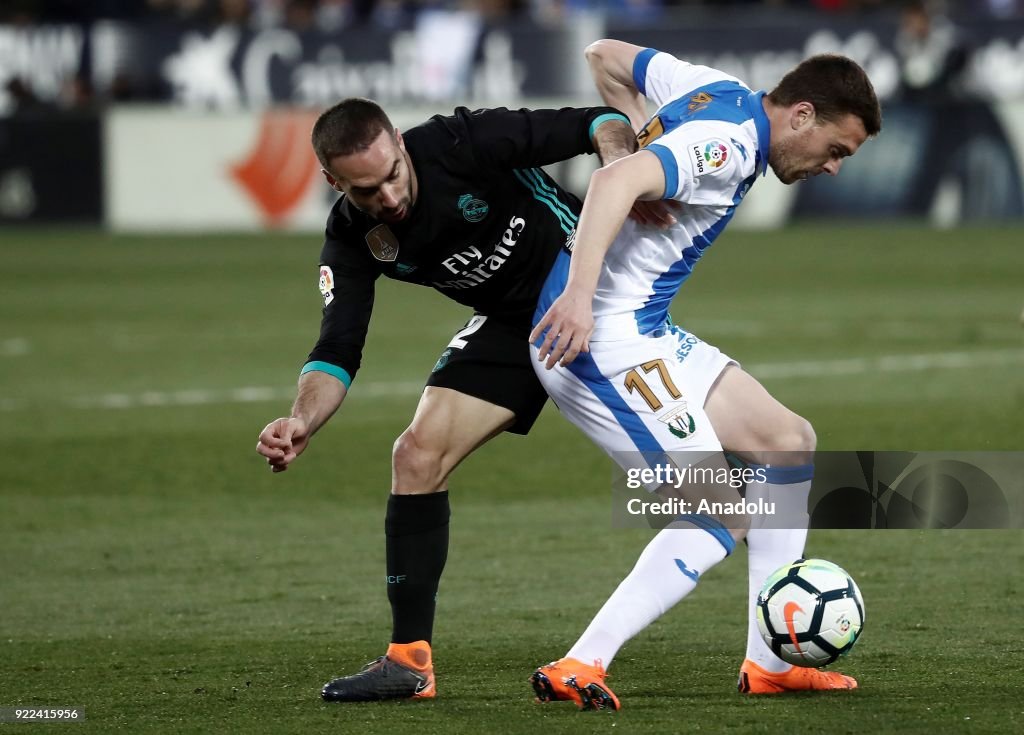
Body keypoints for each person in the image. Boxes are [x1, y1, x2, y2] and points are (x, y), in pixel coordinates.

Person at [525, 39, 881, 709]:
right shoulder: (729, 146)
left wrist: (630, 141)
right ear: (801, 115)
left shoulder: (712, 86)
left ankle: (771, 661)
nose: (832, 167)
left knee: (787, 441)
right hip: (598, 339)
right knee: (721, 507)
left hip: (644, 327)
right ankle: (582, 660)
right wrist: (580, 289)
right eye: (837, 149)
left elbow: (601, 53)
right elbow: (610, 184)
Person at [255, 97, 636, 702]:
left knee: (697, 478)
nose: (388, 198)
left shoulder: (462, 141)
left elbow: (597, 122)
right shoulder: (353, 236)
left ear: (402, 146)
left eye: (392, 175)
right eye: (364, 191)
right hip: (518, 326)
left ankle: (776, 610)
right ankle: (409, 664)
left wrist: (629, 178)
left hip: (598, 292)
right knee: (416, 456)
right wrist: (301, 420)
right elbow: (337, 348)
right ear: (333, 182)